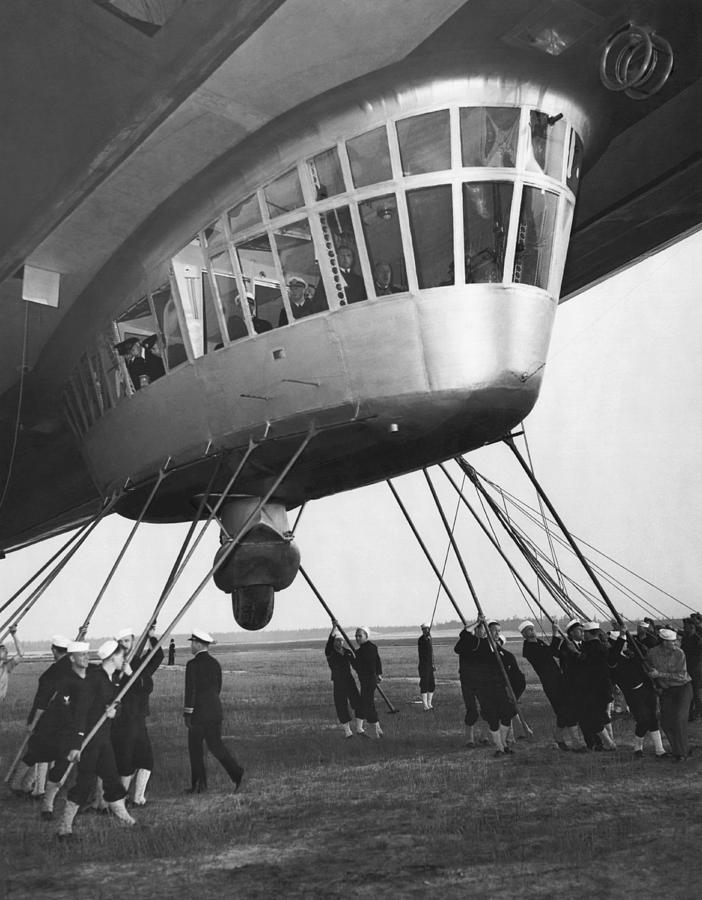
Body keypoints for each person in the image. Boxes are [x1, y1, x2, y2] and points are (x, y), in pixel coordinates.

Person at [56, 639, 137, 837]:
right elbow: (80, 713)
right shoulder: (93, 680)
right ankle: (64, 829)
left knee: (111, 780)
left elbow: (117, 705)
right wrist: (76, 745)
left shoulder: (112, 679)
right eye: (121, 656)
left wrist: (114, 712)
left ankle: (126, 820)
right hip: (89, 741)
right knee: (84, 784)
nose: (123, 660)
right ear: (112, 657)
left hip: (103, 740)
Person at [9, 641, 90, 821]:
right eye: (82, 654)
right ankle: (41, 798)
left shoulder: (83, 674)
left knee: (45, 756)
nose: (86, 658)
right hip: (56, 726)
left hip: (72, 728)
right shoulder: (62, 676)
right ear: (70, 656)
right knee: (42, 755)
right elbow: (45, 701)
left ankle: (38, 793)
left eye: (87, 654)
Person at [183, 629, 244, 794]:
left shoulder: (192, 664)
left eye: (192, 643)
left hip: (198, 715)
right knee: (216, 747)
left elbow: (191, 692)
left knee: (195, 750)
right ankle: (237, 774)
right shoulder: (215, 663)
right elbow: (218, 689)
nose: (190, 646)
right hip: (215, 712)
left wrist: (188, 714)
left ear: (197, 643)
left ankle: (199, 785)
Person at [111, 625, 164, 806]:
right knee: (126, 760)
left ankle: (138, 798)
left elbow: (158, 657)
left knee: (145, 759)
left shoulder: (138, 662)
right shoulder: (117, 663)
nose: (125, 645)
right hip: (123, 719)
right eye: (121, 642)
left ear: (133, 640)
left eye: (127, 641)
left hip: (138, 718)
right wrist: (128, 673)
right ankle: (120, 799)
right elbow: (130, 687)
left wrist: (151, 636)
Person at [19, 635, 72, 799]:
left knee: (41, 751)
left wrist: (33, 722)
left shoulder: (54, 671)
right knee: (46, 753)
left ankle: (38, 789)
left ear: (54, 650)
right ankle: (30, 785)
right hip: (63, 719)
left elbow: (42, 701)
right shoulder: (70, 667)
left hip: (47, 719)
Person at [457, 617, 518, 757]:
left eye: (499, 631)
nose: (497, 634)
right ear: (487, 632)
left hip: (498, 687)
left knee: (506, 714)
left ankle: (504, 744)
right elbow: (464, 634)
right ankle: (499, 748)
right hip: (483, 688)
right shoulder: (479, 644)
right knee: (491, 716)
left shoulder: (500, 650)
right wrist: (478, 623)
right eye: (494, 631)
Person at [520, 621, 581, 751]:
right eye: (528, 630)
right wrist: (554, 634)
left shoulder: (539, 642)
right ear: (523, 634)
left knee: (564, 711)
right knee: (565, 710)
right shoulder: (529, 649)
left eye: (532, 628)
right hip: (550, 682)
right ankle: (576, 743)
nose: (531, 631)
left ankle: (558, 737)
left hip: (559, 678)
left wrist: (569, 650)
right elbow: (548, 653)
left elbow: (554, 652)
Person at [607, 631, 667, 759]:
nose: (626, 644)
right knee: (643, 720)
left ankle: (659, 750)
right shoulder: (612, 659)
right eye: (623, 642)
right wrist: (623, 635)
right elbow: (615, 652)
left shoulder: (630, 655)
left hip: (646, 690)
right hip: (633, 694)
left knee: (653, 718)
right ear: (616, 643)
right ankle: (638, 747)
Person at [561, 622, 615, 750]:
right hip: (591, 687)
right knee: (597, 716)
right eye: (580, 631)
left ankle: (608, 743)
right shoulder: (595, 646)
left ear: (590, 634)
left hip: (594, 687)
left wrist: (576, 653)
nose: (582, 634)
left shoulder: (592, 647)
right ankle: (603, 743)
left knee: (596, 717)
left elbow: (587, 665)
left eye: (583, 631)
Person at [646, 628, 693, 761]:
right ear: (664, 642)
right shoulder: (652, 653)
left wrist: (659, 674)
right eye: (672, 641)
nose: (675, 643)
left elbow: (681, 675)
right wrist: (655, 682)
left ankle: (681, 753)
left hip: (683, 688)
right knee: (666, 722)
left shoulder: (679, 653)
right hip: (666, 690)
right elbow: (647, 666)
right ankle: (679, 749)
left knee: (679, 719)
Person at [324, 625, 362, 737]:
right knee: (341, 705)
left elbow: (356, 665)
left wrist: (365, 673)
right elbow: (329, 642)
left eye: (341, 640)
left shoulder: (347, 652)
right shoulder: (329, 652)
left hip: (349, 680)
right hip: (338, 681)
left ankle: (360, 729)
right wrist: (333, 627)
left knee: (357, 702)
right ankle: (348, 732)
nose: (340, 642)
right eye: (337, 640)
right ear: (334, 641)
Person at [454, 623, 484, 748]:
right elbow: (464, 634)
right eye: (477, 628)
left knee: (487, 708)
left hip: (483, 680)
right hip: (467, 680)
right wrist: (477, 621)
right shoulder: (466, 642)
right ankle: (469, 739)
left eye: (481, 629)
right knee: (472, 710)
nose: (480, 631)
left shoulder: (485, 644)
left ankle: (485, 736)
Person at [351, 626, 383, 738]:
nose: (357, 638)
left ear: (366, 636)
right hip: (371, 680)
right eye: (356, 636)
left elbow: (360, 667)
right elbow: (378, 661)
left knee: (368, 704)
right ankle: (378, 729)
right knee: (368, 703)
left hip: (368, 681)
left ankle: (374, 731)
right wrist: (379, 674)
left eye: (360, 636)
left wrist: (352, 660)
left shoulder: (362, 651)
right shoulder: (372, 647)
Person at [680, 615, 702, 721]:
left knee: (696, 693)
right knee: (689, 693)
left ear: (691, 627)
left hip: (695, 669)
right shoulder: (685, 638)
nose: (684, 628)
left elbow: (698, 656)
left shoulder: (698, 640)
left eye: (686, 626)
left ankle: (698, 713)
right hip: (687, 668)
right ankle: (691, 714)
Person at [0, 625, 23, 702]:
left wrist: (14, 634)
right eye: (2, 648)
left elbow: (21, 654)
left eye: (5, 649)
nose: (5, 650)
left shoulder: (6, 666)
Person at [417, 623, 435, 711]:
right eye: (424, 629)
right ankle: (425, 705)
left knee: (432, 684)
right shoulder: (421, 640)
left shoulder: (429, 638)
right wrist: (427, 638)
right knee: (424, 684)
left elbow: (431, 654)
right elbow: (424, 651)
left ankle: (429, 703)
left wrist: (433, 664)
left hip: (430, 666)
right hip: (424, 666)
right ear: (422, 630)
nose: (426, 631)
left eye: (427, 629)